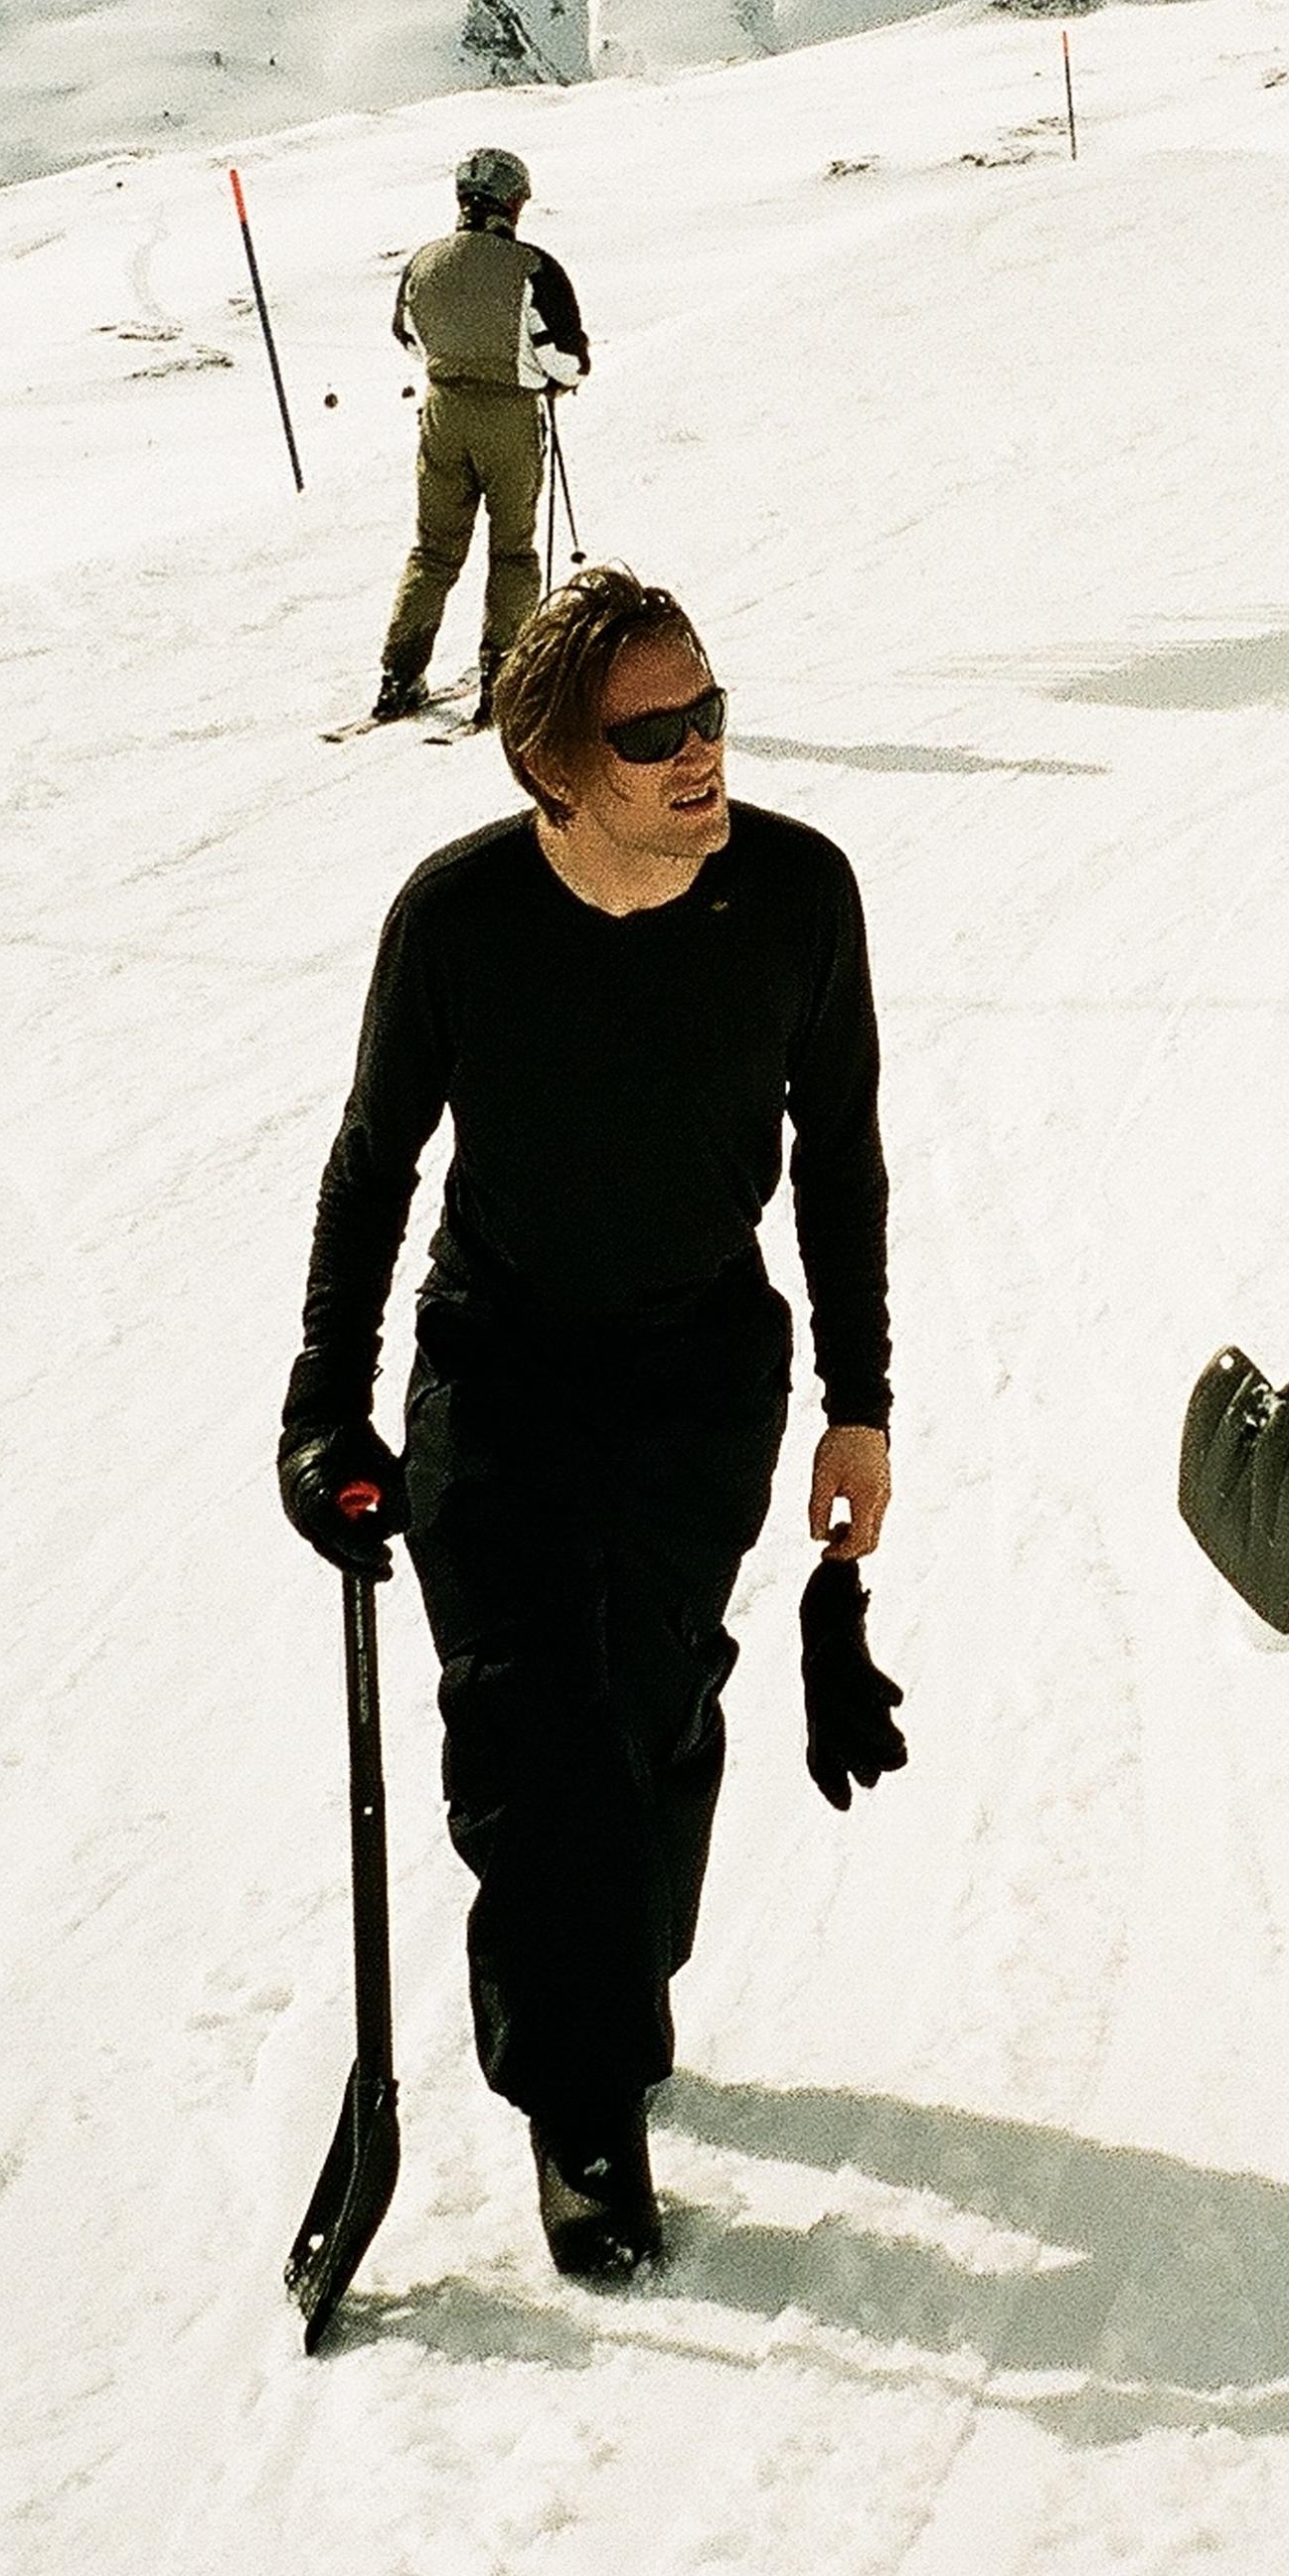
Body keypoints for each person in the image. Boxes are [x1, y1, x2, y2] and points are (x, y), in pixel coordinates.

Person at [277, 567, 903, 2279]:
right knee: (532, 1745)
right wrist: (323, 1403)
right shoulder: (460, 918)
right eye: (653, 733)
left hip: (701, 1373)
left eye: (711, 711)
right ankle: (583, 2101)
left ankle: (619, 1965)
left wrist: (859, 1408)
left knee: (653, 1713)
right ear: (552, 766)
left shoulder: (797, 893)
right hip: (501, 1369)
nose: (702, 752)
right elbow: (372, 1166)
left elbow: (841, 1159)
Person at [373, 138, 588, 722]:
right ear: (513, 203)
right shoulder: (533, 267)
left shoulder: (424, 262)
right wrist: (544, 378)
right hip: (508, 418)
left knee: (433, 551)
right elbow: (567, 360)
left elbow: (408, 336)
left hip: (442, 414)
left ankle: (400, 676)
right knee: (512, 552)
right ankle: (503, 675)